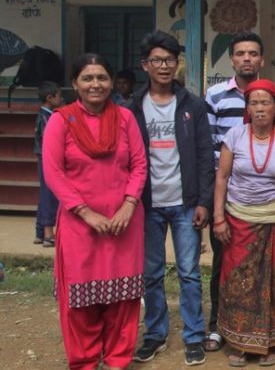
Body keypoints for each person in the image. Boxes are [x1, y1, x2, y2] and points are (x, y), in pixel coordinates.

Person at [43, 53, 147, 370]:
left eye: (102, 77)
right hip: (79, 224)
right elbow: (53, 173)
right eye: (87, 78)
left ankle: (117, 359)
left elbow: (139, 164)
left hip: (123, 222)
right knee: (81, 298)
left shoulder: (125, 118)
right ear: (75, 83)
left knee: (123, 295)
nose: (95, 84)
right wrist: (87, 213)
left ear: (111, 82)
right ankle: (85, 361)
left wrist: (128, 205)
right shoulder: (60, 121)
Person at [128, 31, 213, 366]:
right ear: (145, 64)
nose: (164, 66)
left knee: (189, 272)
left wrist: (203, 202)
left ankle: (193, 335)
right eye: (157, 60)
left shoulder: (193, 105)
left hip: (185, 203)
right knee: (151, 273)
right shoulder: (132, 107)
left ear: (178, 64)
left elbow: (205, 156)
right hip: (147, 203)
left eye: (170, 60)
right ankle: (155, 333)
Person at [213, 79, 275, 367]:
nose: (260, 108)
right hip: (238, 219)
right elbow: (222, 178)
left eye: (266, 102)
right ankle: (240, 343)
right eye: (254, 103)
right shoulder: (234, 136)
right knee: (240, 282)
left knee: (273, 282)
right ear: (247, 109)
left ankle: (269, 343)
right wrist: (218, 217)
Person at [204, 32, 270, 352]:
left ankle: (257, 324)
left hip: (263, 199)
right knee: (224, 262)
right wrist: (214, 205)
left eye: (253, 53)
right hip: (226, 195)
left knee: (260, 264)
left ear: (262, 60)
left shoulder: (271, 95)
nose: (247, 58)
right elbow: (207, 147)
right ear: (231, 59)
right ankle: (218, 325)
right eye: (241, 53)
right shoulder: (215, 95)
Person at [34, 81, 63, 247]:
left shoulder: (43, 115)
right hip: (47, 158)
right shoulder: (48, 118)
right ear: (50, 98)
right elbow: (50, 141)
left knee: (45, 193)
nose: (61, 99)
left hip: (42, 157)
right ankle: (48, 234)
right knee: (50, 195)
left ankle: (40, 232)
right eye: (59, 96)